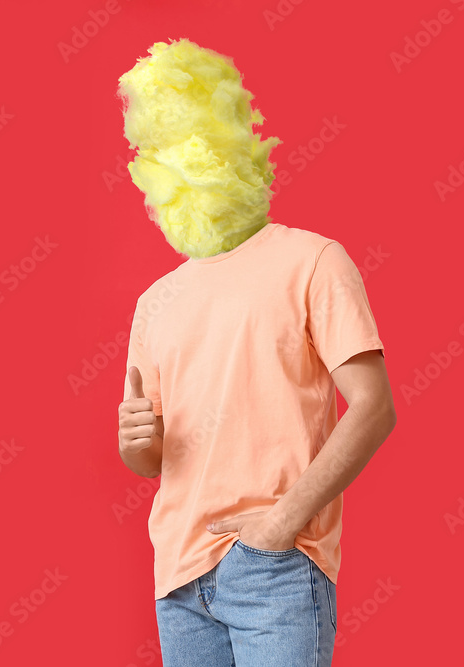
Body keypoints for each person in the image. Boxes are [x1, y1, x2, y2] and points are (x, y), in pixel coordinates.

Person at [115, 38, 397, 666]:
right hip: (178, 579)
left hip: (273, 566)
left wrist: (281, 523)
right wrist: (137, 445)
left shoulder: (312, 260)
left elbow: (374, 406)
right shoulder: (155, 300)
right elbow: (153, 459)